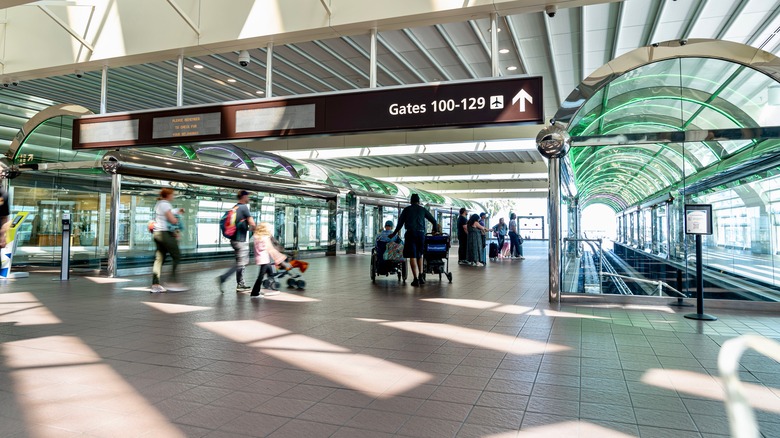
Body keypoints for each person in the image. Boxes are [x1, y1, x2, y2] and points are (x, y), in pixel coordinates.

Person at [388, 193, 437, 287]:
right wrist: (434, 231)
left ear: (411, 201)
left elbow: (400, 224)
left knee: (412, 256)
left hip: (410, 234)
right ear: (418, 201)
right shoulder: (422, 209)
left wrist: (393, 234)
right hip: (421, 234)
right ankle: (421, 276)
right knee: (419, 255)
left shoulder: (406, 210)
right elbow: (434, 221)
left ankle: (415, 279)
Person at [218, 190, 256, 292]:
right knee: (241, 262)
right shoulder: (244, 208)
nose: (248, 199)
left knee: (240, 262)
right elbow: (252, 223)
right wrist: (255, 230)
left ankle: (240, 284)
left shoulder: (235, 207)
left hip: (234, 240)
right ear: (243, 196)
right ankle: (225, 278)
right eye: (247, 196)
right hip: (240, 240)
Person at [151, 188, 187, 293]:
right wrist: (178, 216)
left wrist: (176, 211)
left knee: (159, 259)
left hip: (157, 233)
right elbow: (172, 220)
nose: (173, 196)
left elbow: (167, 215)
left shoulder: (159, 203)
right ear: (168, 195)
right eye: (173, 195)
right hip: (165, 234)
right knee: (177, 256)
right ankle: (173, 282)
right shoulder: (165, 204)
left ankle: (155, 284)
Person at [249, 222, 282, 298]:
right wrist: (279, 257)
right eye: (269, 229)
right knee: (260, 276)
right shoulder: (265, 238)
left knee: (268, 271)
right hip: (264, 259)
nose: (270, 230)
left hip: (260, 258)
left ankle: (271, 280)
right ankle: (254, 293)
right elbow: (270, 249)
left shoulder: (256, 236)